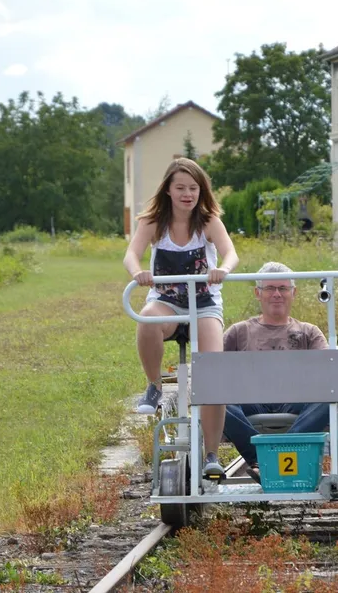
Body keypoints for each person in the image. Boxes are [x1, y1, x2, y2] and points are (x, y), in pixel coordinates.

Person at [123, 157, 239, 479]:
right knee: (146, 319)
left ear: (201, 191)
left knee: (213, 371)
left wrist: (223, 270)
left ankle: (212, 453)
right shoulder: (153, 221)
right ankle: (154, 385)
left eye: (193, 188)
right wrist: (139, 273)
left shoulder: (208, 221)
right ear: (169, 191)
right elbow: (131, 254)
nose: (187, 194)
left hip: (203, 303)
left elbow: (230, 252)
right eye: (181, 188)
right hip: (167, 302)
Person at [220, 262, 330, 483]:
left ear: (294, 292)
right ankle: (266, 458)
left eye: (283, 288)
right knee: (216, 402)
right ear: (258, 293)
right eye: (270, 288)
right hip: (250, 400)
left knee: (330, 397)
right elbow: (215, 372)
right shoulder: (238, 332)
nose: (277, 294)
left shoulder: (309, 332)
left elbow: (328, 371)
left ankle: (275, 456)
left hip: (296, 400)